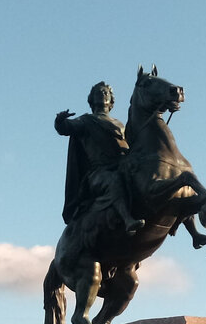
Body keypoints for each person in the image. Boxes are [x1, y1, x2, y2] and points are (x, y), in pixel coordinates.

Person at [55, 82, 144, 234]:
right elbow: (65, 128)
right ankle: (127, 219)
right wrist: (60, 121)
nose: (102, 94)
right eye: (98, 92)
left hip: (122, 167)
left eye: (106, 93)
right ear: (91, 99)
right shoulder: (85, 121)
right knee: (114, 181)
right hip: (99, 173)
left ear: (111, 100)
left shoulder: (121, 125)